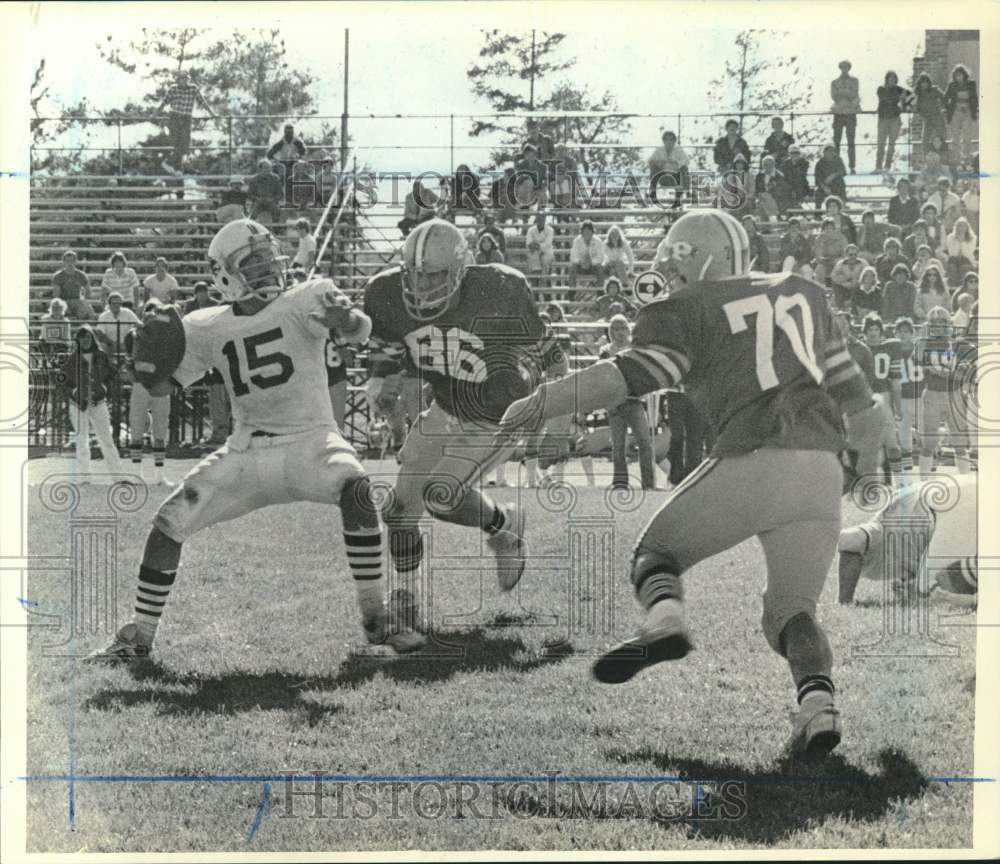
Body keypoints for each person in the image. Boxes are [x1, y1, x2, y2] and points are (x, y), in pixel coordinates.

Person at [499, 208, 881, 756]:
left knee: (655, 553)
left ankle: (665, 621)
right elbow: (862, 403)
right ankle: (818, 706)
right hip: (821, 467)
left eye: (675, 264)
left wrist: (546, 401)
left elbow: (629, 375)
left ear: (702, 258)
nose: (669, 278)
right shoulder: (806, 292)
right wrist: (864, 472)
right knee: (794, 611)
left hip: (752, 454)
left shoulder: (686, 307)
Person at [88, 218, 422, 662]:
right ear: (225, 274)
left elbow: (359, 330)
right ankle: (139, 637)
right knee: (168, 522)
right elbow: (165, 388)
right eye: (254, 260)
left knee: (357, 489)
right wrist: (145, 365)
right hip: (245, 451)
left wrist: (348, 320)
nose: (268, 267)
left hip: (311, 442)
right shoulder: (205, 325)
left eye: (269, 256)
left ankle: (377, 618)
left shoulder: (307, 295)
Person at [362, 219, 554, 632]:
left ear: (461, 270)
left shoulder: (499, 289)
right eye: (415, 275)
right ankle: (407, 598)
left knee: (441, 495)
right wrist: (384, 385)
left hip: (497, 415)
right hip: (446, 409)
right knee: (398, 512)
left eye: (435, 275)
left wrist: (556, 412)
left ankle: (504, 526)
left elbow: (551, 356)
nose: (423, 285)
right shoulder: (385, 293)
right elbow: (387, 360)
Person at [838, 474, 977, 605]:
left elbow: (850, 540)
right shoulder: (892, 513)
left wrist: (844, 600)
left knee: (928, 592)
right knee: (928, 589)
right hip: (961, 497)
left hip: (961, 506)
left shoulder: (886, 527)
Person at [59, 324, 127, 480]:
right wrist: (74, 392)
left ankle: (118, 475)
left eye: (88, 337)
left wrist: (105, 388)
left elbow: (113, 376)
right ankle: (84, 476)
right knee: (81, 441)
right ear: (78, 340)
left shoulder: (101, 356)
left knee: (107, 440)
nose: (85, 341)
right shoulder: (72, 358)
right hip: (78, 404)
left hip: (98, 402)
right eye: (82, 338)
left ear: (92, 338)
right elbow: (61, 381)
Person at [599, 315, 656, 490]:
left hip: (635, 401)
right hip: (615, 403)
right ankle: (620, 483)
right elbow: (601, 377)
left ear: (628, 330)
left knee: (645, 442)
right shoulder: (605, 352)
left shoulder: (636, 349)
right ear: (610, 332)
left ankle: (648, 483)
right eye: (616, 329)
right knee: (618, 445)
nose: (620, 333)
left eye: (623, 328)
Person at [914, 306, 973, 475]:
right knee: (928, 443)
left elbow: (961, 375)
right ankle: (924, 482)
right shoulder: (923, 343)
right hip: (932, 393)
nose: (938, 325)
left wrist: (935, 370)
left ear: (948, 323)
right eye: (933, 321)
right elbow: (918, 365)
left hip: (954, 395)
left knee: (960, 442)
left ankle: (965, 480)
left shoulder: (957, 344)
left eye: (941, 321)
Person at [121, 304, 174, 487]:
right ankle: (137, 473)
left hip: (160, 382)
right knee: (136, 427)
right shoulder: (133, 335)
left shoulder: (167, 336)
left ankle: (159, 475)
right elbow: (129, 358)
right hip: (141, 383)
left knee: (160, 428)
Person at [183, 281, 231, 445]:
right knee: (218, 403)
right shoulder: (214, 326)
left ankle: (231, 433)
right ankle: (220, 433)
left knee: (231, 404)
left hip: (233, 369)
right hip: (218, 369)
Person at [860, 313, 904, 484]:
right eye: (870, 329)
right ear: (865, 331)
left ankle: (899, 481)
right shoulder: (859, 349)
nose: (873, 332)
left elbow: (895, 381)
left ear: (881, 331)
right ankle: (871, 480)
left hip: (884, 397)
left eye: (876, 329)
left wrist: (898, 405)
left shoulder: (890, 348)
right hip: (865, 398)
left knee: (891, 442)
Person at [155, 70, 216, 171]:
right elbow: (164, 102)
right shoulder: (173, 89)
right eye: (182, 79)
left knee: (185, 144)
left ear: (189, 80)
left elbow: (203, 102)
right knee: (177, 143)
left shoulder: (193, 89)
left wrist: (212, 113)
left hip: (186, 118)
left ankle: (169, 163)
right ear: (178, 80)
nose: (184, 81)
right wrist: (155, 114)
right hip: (175, 117)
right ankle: (177, 168)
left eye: (186, 79)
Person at [874, 71, 910, 172]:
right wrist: (899, 98)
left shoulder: (899, 89)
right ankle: (878, 166)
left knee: (891, 144)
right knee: (881, 143)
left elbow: (911, 97)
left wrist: (905, 105)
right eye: (890, 78)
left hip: (895, 119)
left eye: (894, 78)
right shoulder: (881, 89)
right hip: (883, 119)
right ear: (887, 79)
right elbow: (885, 99)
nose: (892, 80)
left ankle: (887, 166)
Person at [944, 64, 979, 166]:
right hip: (956, 111)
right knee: (955, 137)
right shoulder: (952, 85)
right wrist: (947, 109)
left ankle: (966, 158)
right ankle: (957, 159)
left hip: (967, 110)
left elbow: (975, 98)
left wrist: (975, 110)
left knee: (967, 136)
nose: (958, 77)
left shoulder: (971, 84)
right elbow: (945, 98)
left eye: (960, 75)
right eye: (956, 75)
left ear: (964, 75)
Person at [831, 60, 860, 172]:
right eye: (842, 67)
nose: (844, 69)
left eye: (846, 67)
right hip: (838, 114)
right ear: (840, 68)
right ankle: (836, 166)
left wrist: (841, 92)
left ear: (849, 68)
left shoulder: (855, 81)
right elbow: (834, 97)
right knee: (837, 141)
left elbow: (854, 94)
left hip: (850, 114)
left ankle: (852, 166)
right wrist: (847, 92)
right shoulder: (834, 82)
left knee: (851, 141)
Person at [267, 123, 309, 201]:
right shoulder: (281, 142)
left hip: (293, 163)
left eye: (290, 132)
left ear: (293, 132)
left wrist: (299, 158)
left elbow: (303, 151)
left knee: (293, 179)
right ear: (284, 132)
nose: (289, 134)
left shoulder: (297, 141)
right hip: (283, 163)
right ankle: (281, 197)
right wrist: (276, 160)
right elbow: (269, 154)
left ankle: (293, 197)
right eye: (287, 132)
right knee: (282, 179)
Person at [913, 72, 948, 164]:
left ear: (929, 83)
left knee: (941, 139)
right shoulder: (919, 94)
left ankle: (943, 161)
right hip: (928, 120)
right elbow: (916, 108)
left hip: (937, 117)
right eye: (922, 82)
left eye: (926, 82)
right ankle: (927, 161)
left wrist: (943, 108)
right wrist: (920, 112)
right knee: (925, 140)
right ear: (919, 84)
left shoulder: (934, 89)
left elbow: (944, 98)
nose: (924, 84)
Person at [648, 130, 690, 204]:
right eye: (666, 139)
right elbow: (650, 161)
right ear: (663, 141)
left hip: (676, 177)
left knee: (685, 168)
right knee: (653, 167)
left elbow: (687, 161)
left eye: (671, 139)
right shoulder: (659, 150)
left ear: (674, 141)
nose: (669, 142)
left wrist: (676, 162)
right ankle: (653, 192)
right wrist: (660, 162)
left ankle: (686, 192)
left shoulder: (679, 150)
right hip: (663, 177)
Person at [52, 249, 94, 322]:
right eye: (67, 261)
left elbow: (88, 290)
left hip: (77, 301)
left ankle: (88, 330)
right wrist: (64, 305)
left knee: (88, 309)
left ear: (75, 262)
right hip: (63, 301)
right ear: (64, 262)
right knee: (61, 309)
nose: (70, 263)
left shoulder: (81, 275)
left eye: (72, 260)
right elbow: (56, 296)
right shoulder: (58, 276)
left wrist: (84, 301)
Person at [568, 220, 606, 287]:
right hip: (580, 266)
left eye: (589, 230)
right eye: (585, 230)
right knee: (572, 267)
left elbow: (601, 257)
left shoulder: (598, 241)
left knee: (600, 268)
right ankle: (572, 292)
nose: (587, 232)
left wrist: (591, 262)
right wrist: (581, 261)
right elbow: (573, 257)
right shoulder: (576, 241)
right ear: (581, 232)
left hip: (593, 267)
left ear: (592, 231)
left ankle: (600, 292)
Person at [247, 158, 283, 225]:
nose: (267, 169)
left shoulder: (276, 178)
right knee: (253, 212)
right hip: (258, 202)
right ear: (260, 169)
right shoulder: (254, 179)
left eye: (269, 168)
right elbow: (249, 194)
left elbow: (280, 194)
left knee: (276, 210)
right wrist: (257, 199)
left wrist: (272, 199)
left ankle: (276, 230)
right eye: (264, 167)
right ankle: (250, 228)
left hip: (271, 201)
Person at [812, 217, 848, 286]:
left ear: (834, 229)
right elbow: (817, 256)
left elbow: (845, 255)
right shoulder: (819, 239)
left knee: (840, 267)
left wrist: (836, 260)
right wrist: (824, 261)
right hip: (824, 262)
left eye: (830, 228)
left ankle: (838, 289)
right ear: (823, 229)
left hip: (838, 261)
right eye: (826, 228)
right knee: (819, 269)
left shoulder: (842, 238)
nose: (828, 230)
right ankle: (820, 290)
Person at [830, 245, 865, 309]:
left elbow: (868, 274)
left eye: (855, 254)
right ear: (846, 255)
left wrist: (858, 282)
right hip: (844, 287)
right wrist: (844, 283)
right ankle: (841, 309)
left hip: (858, 286)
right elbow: (833, 276)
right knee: (836, 285)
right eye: (850, 254)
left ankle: (855, 310)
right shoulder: (840, 264)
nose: (853, 257)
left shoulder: (863, 263)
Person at [525, 211, 555, 278]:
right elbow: (529, 243)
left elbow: (547, 243)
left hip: (547, 252)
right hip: (534, 251)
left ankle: (544, 281)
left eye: (542, 218)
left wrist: (536, 245)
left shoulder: (550, 230)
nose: (540, 220)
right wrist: (538, 246)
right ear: (536, 219)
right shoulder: (531, 230)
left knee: (545, 259)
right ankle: (535, 280)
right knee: (533, 256)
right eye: (539, 218)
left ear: (545, 219)